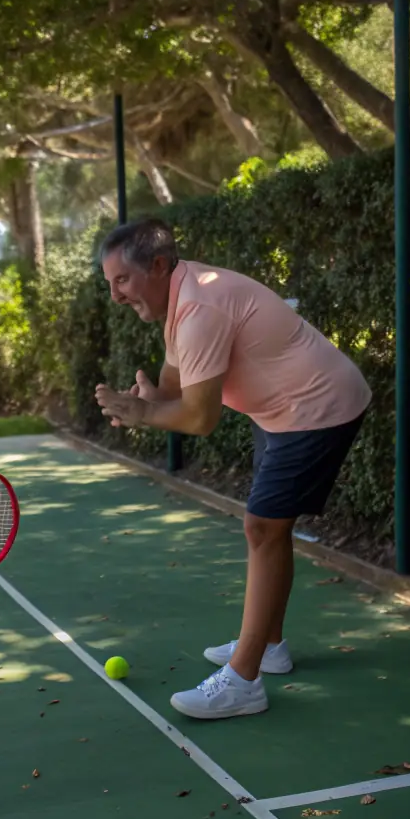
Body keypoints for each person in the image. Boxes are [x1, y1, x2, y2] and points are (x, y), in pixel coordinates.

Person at [94, 218, 370, 721]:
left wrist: (146, 414)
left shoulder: (198, 308)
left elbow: (199, 418)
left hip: (316, 406)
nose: (115, 295)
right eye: (110, 283)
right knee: (270, 528)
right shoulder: (181, 301)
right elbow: (176, 394)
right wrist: (151, 402)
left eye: (123, 281)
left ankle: (244, 682)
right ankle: (269, 647)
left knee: (261, 527)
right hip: (281, 410)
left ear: (157, 266)